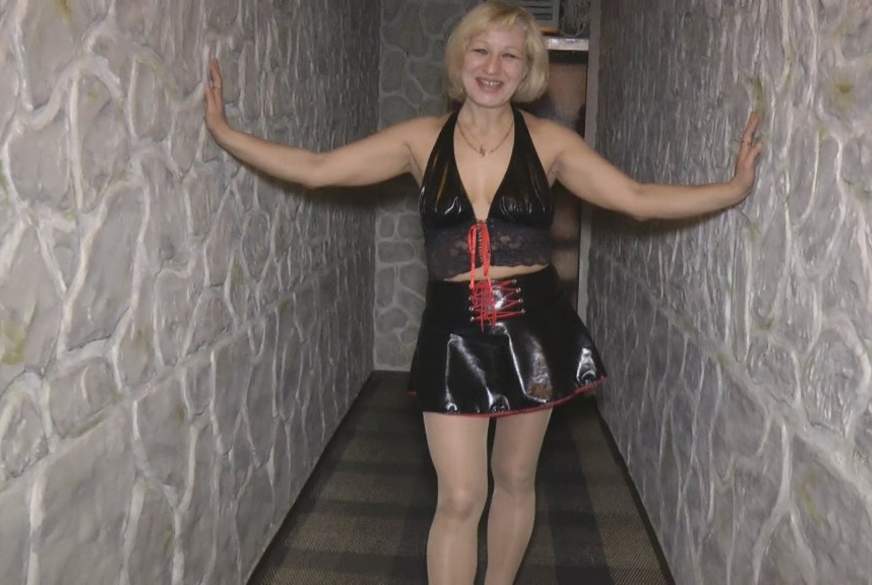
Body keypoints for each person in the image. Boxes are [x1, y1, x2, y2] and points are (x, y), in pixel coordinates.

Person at [204, 2, 763, 583]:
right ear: (460, 58)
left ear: (528, 69)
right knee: (461, 496)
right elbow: (318, 168)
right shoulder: (420, 140)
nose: (493, 67)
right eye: (481, 51)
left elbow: (638, 198)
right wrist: (224, 131)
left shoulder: (551, 144)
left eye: (510, 55)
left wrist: (732, 188)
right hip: (453, 333)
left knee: (515, 478)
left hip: (534, 328)